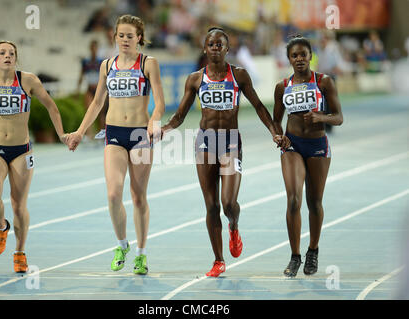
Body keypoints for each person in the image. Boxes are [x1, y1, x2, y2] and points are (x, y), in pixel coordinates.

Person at [161, 27, 286, 277]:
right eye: (211, 44)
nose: (215, 48)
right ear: (204, 49)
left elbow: (260, 107)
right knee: (210, 206)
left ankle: (234, 225)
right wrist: (164, 128)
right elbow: (179, 116)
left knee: (228, 203)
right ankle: (218, 260)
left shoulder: (238, 75)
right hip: (205, 142)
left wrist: (275, 130)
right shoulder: (196, 79)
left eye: (220, 44)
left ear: (227, 49)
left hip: (230, 142)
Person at [67, 15, 165, 275]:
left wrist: (154, 121)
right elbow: (97, 103)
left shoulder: (148, 63)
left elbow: (160, 102)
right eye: (120, 35)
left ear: (139, 38)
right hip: (113, 134)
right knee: (113, 194)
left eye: (130, 36)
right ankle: (122, 244)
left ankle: (142, 254)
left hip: (139, 135)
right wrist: (79, 132)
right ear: (114, 37)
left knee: (138, 196)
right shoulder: (107, 65)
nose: (124, 40)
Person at [0, 41, 67, 273]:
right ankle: (1, 227)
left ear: (16, 58)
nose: (7, 56)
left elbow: (51, 106)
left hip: (21, 151)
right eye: (2, 53)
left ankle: (19, 252)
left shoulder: (28, 80)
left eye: (12, 53)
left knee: (18, 205)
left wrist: (62, 134)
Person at [272, 35, 343, 277]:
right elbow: (275, 120)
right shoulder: (282, 86)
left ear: (310, 56)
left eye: (303, 54)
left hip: (317, 146)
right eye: (295, 55)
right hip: (293, 145)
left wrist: (320, 117)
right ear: (289, 59)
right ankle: (295, 256)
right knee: (293, 200)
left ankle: (313, 250)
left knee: (314, 202)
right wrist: (278, 135)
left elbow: (338, 117)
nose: (299, 59)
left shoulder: (324, 82)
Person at [76, 39, 105, 138]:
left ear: (98, 49)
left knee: (101, 113)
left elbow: (106, 77)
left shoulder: (102, 61)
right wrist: (78, 90)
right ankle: (89, 136)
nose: (94, 50)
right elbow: (81, 75)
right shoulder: (85, 62)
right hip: (89, 89)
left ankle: (102, 135)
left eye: (95, 48)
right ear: (90, 48)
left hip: (99, 90)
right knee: (88, 112)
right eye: (92, 48)